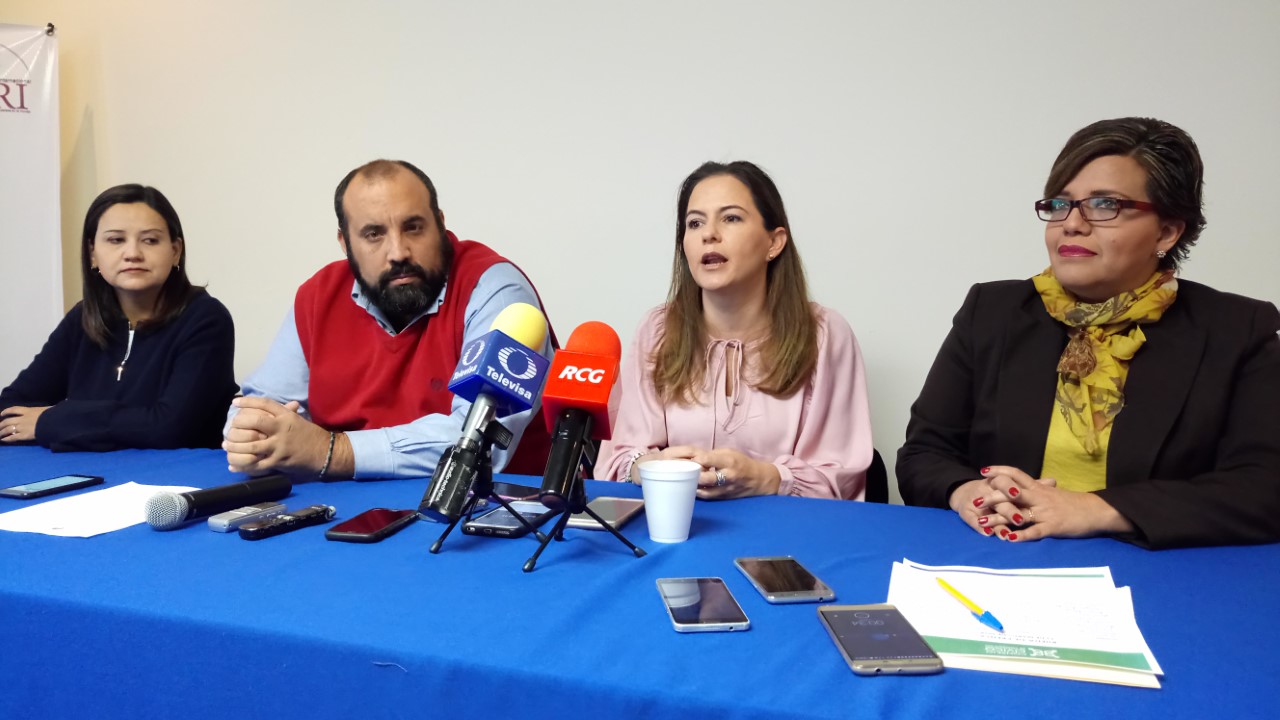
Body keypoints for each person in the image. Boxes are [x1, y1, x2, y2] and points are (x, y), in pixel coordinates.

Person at [897, 117, 1280, 549]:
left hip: (1153, 567)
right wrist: (968, 493)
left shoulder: (1236, 330)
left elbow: (1264, 489)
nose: (1072, 224)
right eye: (1060, 204)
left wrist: (1095, 509)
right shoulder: (992, 311)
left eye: (1104, 204)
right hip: (1002, 551)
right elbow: (924, 453)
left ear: (1168, 231)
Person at [223, 159, 555, 480]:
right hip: (351, 503)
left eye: (413, 228)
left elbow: (478, 439)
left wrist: (330, 451)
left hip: (503, 506)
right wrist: (256, 439)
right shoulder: (317, 297)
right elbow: (257, 407)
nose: (398, 252)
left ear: (440, 225)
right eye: (373, 234)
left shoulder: (496, 290)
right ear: (345, 243)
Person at [596, 161, 873, 500]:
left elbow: (841, 479)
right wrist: (648, 467)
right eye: (695, 223)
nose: (708, 234)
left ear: (774, 242)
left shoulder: (825, 335)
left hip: (785, 528)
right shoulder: (657, 329)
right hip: (681, 522)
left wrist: (767, 478)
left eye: (730, 218)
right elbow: (618, 459)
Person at [1, 184, 237, 451]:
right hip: (87, 471)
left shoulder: (205, 319)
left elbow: (169, 428)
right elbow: (10, 407)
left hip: (176, 472)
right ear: (92, 253)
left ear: (175, 251)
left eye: (150, 240)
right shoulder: (83, 318)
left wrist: (53, 420)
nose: (133, 253)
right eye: (116, 240)